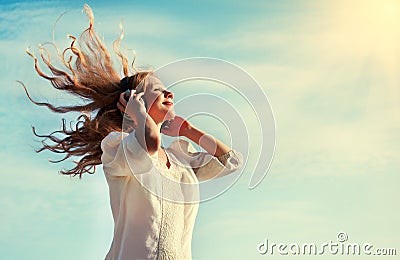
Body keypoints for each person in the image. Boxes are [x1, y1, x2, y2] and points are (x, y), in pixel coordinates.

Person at [22, 4, 243, 260]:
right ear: (132, 99)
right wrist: (137, 115)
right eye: (158, 90)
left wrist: (189, 131)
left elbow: (231, 162)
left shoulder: (181, 160)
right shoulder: (118, 148)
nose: (169, 93)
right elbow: (148, 144)